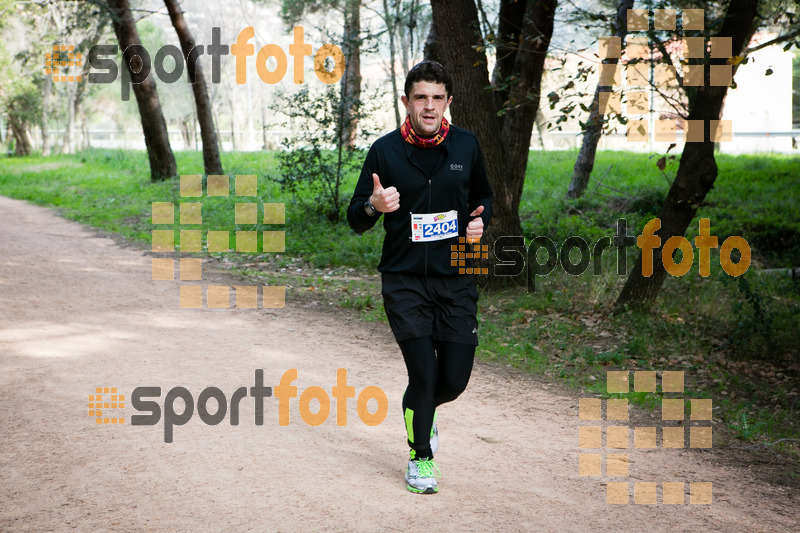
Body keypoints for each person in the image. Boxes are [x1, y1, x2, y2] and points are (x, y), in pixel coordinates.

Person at [347, 60, 493, 494]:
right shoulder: (384, 151)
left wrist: (479, 222)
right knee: (424, 374)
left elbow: (483, 196)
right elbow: (356, 218)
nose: (429, 107)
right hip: (404, 280)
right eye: (420, 97)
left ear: (448, 102)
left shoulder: (466, 146)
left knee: (452, 380)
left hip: (457, 280)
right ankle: (421, 456)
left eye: (437, 98)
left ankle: (419, 412)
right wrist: (375, 205)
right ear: (407, 101)